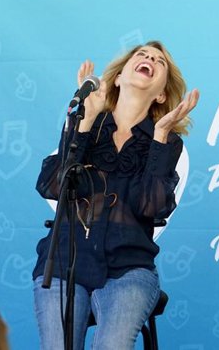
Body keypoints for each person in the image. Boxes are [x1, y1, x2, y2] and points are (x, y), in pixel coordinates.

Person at [32, 41, 199, 350]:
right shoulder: (85, 122)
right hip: (65, 261)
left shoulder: (167, 142)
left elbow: (151, 206)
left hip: (129, 268)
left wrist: (160, 136)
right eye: (142, 55)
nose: (149, 58)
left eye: (158, 61)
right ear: (119, 77)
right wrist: (83, 124)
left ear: (161, 93)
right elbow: (53, 185)